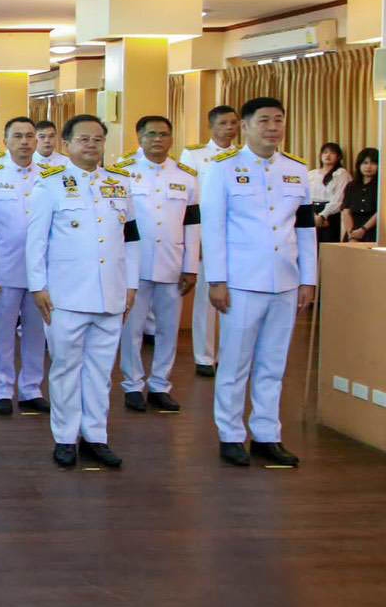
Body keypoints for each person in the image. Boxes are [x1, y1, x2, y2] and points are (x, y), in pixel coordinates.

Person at [200, 97, 316, 467]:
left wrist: (309, 279)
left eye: (278, 120)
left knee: (273, 364)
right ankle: (231, 434)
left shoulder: (296, 170)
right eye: (264, 120)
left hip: (285, 280)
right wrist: (216, 280)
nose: (272, 127)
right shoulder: (223, 169)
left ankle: (267, 434)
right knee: (235, 363)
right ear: (245, 126)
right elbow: (213, 228)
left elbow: (305, 228)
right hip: (241, 281)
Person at [26, 114, 138, 469]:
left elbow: (131, 239)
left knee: (101, 371)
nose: (91, 145)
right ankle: (65, 437)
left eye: (97, 139)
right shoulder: (49, 185)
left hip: (110, 293)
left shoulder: (120, 183)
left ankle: (95, 436)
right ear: (68, 144)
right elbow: (36, 241)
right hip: (66, 296)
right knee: (65, 368)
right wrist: (38, 286)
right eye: (83, 139)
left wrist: (131, 284)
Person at [115, 116, 199, 414]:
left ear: (171, 138)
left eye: (163, 134)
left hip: (171, 263)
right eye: (151, 134)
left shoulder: (186, 176)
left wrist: (191, 266)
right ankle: (132, 385)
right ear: (139, 137)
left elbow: (192, 225)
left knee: (168, 329)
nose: (157, 140)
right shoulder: (123, 172)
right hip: (134, 265)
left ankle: (160, 384)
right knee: (132, 328)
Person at [0, 117, 49, 417]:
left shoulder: (51, 177)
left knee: (37, 332)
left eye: (30, 136)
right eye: (18, 136)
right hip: (5, 268)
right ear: (5, 142)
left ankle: (31, 389)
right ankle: (1, 389)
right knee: (1, 332)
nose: (25, 141)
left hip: (41, 272)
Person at [180, 104, 242, 377]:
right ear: (211, 126)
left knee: (237, 298)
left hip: (238, 236)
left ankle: (230, 355)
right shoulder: (195, 155)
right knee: (207, 297)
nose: (229, 128)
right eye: (223, 123)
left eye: (233, 123)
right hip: (206, 234)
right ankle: (205, 356)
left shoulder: (243, 156)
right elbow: (190, 201)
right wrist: (196, 241)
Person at [308, 142, 351, 244]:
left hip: (331, 214)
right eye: (325, 152)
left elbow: (339, 198)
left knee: (327, 246)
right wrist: (312, 214)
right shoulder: (311, 174)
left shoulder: (341, 173)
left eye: (332, 153)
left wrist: (323, 216)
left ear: (338, 157)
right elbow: (304, 195)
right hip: (311, 212)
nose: (328, 155)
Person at [340, 147, 379, 242]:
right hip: (353, 230)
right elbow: (346, 211)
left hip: (374, 230)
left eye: (373, 163)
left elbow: (381, 212)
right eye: (365, 163)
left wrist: (363, 230)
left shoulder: (382, 186)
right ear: (359, 165)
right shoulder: (351, 185)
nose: (368, 167)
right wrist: (351, 233)